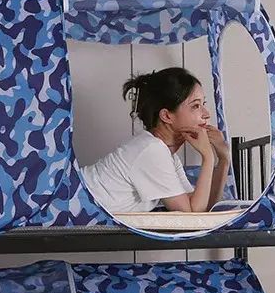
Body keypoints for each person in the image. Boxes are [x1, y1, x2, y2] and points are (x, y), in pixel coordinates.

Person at [80, 67, 230, 214]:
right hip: (73, 205)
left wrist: (223, 159)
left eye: (203, 104)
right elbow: (191, 216)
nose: (206, 114)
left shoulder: (166, 155)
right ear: (166, 116)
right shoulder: (151, 150)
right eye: (196, 106)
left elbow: (202, 207)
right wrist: (208, 157)